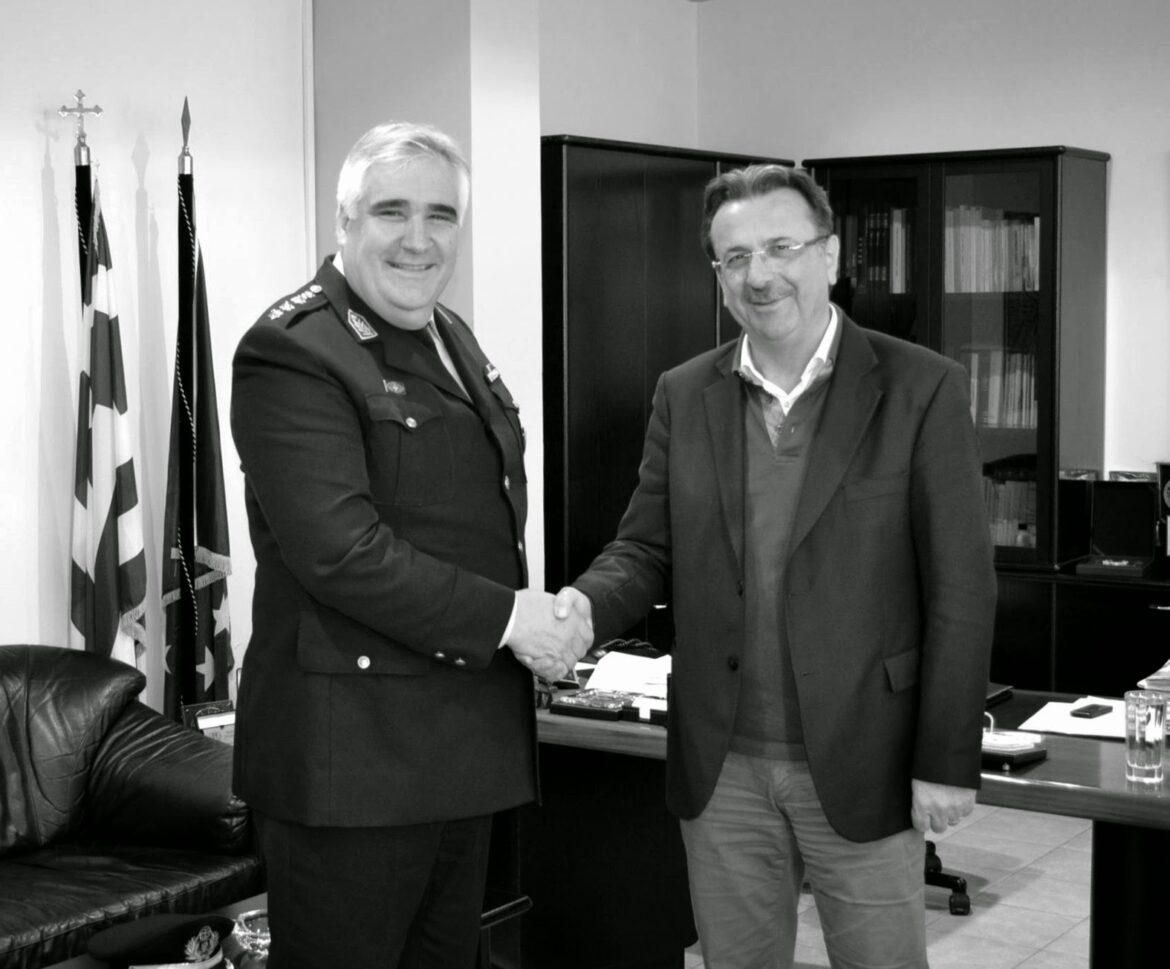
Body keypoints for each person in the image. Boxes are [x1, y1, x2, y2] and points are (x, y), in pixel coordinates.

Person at [555, 165, 997, 968]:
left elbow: (961, 590)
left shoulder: (923, 388)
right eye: (735, 257)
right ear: (718, 274)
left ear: (829, 254)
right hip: (722, 765)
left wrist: (945, 760)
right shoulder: (684, 393)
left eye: (781, 247)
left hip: (866, 756)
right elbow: (646, 548)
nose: (759, 274)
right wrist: (582, 607)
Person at [231, 121, 589, 969]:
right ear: (345, 221)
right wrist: (513, 619)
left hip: (458, 743)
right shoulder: (293, 349)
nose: (418, 239)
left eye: (441, 215)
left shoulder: (448, 332)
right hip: (353, 764)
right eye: (392, 211)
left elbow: (472, 514)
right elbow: (341, 552)